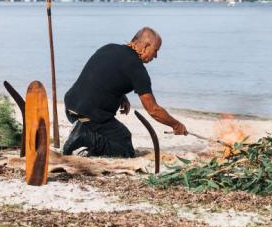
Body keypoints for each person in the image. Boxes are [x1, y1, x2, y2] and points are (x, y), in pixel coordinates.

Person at [62, 27, 187, 157]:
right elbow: (153, 110)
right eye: (155, 50)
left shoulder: (109, 48)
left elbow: (101, 77)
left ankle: (84, 138)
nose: (156, 56)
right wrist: (176, 124)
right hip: (89, 117)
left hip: (70, 107)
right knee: (125, 149)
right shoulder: (137, 69)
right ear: (145, 46)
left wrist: (122, 95)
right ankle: (84, 137)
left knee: (121, 135)